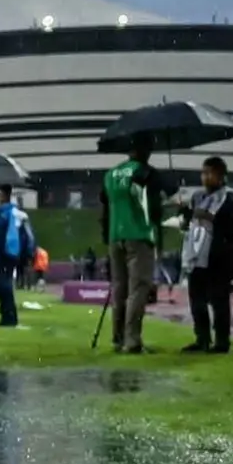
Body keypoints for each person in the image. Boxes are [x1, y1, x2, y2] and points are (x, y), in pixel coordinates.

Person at [101, 141, 165, 353]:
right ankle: (132, 340)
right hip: (139, 234)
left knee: (120, 288)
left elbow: (105, 206)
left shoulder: (111, 174)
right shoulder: (147, 172)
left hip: (115, 235)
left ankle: (118, 338)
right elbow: (154, 209)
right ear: (146, 152)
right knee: (138, 289)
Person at [177, 156, 233, 352]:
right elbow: (190, 224)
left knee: (219, 300)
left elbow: (230, 225)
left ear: (221, 176)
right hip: (196, 255)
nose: (205, 177)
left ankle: (222, 341)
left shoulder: (230, 198)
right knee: (196, 300)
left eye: (209, 173)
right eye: (203, 173)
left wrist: (203, 215)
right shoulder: (198, 197)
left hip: (218, 256)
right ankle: (202, 338)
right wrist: (186, 214)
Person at [0, 184, 33, 327]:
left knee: (2, 286)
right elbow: (27, 236)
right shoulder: (18, 213)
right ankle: (8, 316)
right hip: (11, 255)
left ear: (4, 196)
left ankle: (8, 316)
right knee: (4, 285)